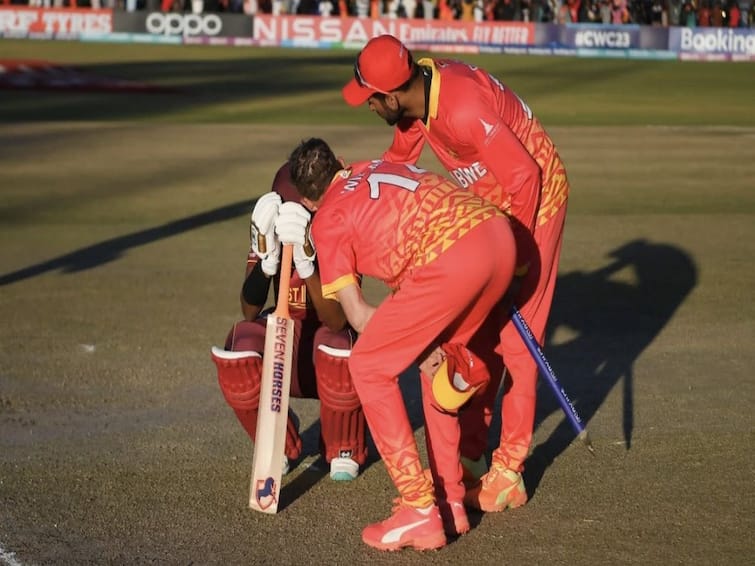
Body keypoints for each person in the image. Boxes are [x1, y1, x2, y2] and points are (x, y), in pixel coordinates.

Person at [341, 34, 571, 514]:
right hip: (491, 210)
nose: (367, 106)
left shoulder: (461, 107)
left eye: (369, 99)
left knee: (516, 334)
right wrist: (350, 181)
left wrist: (521, 264)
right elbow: (398, 162)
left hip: (534, 202)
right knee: (476, 333)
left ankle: (509, 469)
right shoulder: (417, 100)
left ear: (390, 94)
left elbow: (526, 177)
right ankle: (471, 452)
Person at [282, 138, 517, 551]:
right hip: (498, 235)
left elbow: (353, 315)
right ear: (339, 159)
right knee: (439, 369)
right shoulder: (369, 165)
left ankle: (418, 507)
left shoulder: (325, 220)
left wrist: (411, 346)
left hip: (451, 258)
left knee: (369, 366)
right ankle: (449, 500)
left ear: (307, 200)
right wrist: (420, 346)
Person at [210, 163, 367, 483]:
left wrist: (308, 264)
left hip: (327, 343)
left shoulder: (340, 229)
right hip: (290, 347)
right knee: (239, 350)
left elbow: (337, 320)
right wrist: (265, 262)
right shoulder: (272, 230)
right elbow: (249, 312)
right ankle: (277, 444)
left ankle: (344, 447)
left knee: (337, 350)